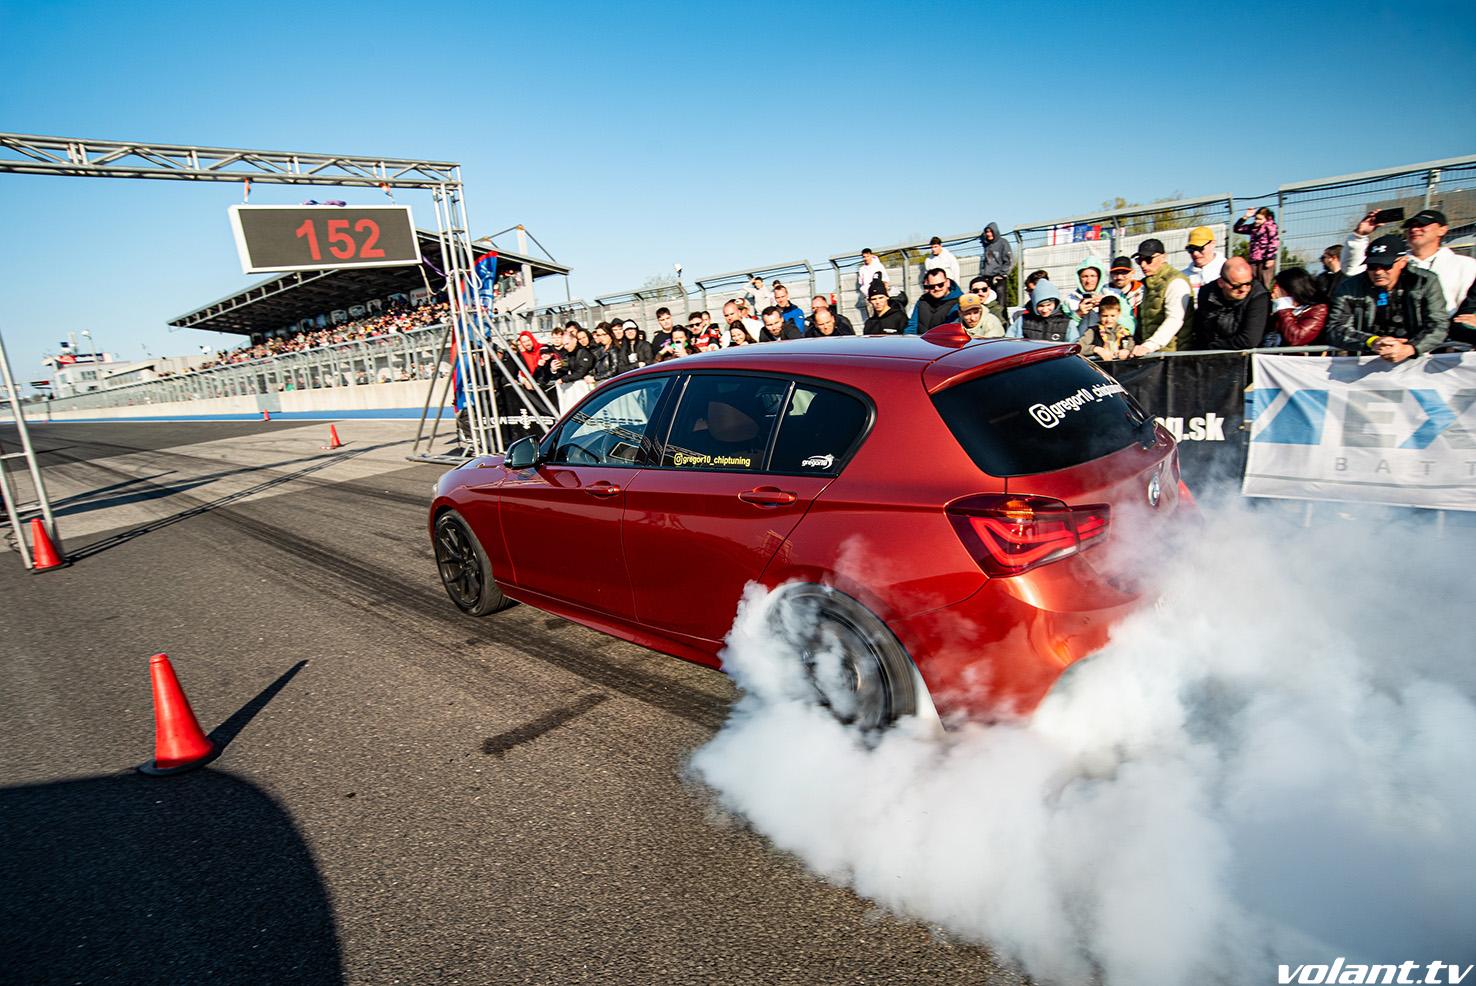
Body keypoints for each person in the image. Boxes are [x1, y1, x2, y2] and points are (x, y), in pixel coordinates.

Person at [1325, 234, 1447, 363]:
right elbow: (1335, 328)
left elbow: (1438, 323)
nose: (1378, 272)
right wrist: (1372, 341)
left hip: (1417, 361)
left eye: (1386, 265)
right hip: (1365, 363)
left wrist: (1410, 348)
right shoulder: (1349, 287)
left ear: (1403, 262)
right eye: (1372, 266)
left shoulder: (1425, 281)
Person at [1344, 209, 1476, 318]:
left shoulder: (1466, 265)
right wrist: (1359, 236)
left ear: (1442, 229)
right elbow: (1352, 271)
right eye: (1411, 226)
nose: (1414, 229)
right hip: (1398, 341)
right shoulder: (1394, 262)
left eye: (1422, 225)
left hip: (1449, 343)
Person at [1130, 238, 1194, 356]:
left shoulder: (1176, 282)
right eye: (1139, 260)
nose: (1143, 265)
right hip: (1155, 354)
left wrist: (1149, 345)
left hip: (1174, 356)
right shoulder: (1146, 284)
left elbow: (1174, 319)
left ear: (1164, 257)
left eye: (1148, 259)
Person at [1193, 257, 1270, 350]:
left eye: (1248, 283)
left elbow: (1250, 340)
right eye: (1236, 286)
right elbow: (1200, 329)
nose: (1244, 289)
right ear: (1221, 283)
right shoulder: (1207, 293)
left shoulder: (1258, 297)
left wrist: (1211, 347)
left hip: (1244, 355)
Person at [1267, 267, 1329, 347]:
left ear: (1292, 289)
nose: (1274, 295)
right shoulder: (1283, 309)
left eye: (1279, 291)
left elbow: (1296, 338)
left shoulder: (1318, 310)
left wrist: (1283, 308)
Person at [1008, 280, 1075, 342]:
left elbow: (1073, 345)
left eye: (1049, 305)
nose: (1045, 310)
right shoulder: (1023, 320)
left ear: (1055, 303)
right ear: (1035, 305)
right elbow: (1011, 341)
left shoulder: (1066, 323)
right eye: (1041, 306)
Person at [1233, 207, 1280, 289]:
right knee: (1252, 284)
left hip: (1264, 260)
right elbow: (1237, 229)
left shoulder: (1271, 227)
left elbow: (1274, 242)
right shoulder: (1254, 227)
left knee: (1264, 284)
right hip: (1253, 260)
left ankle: (1265, 300)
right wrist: (1246, 216)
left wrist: (1270, 258)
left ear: (1267, 218)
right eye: (1255, 218)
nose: (1256, 221)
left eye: (1259, 219)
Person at [1079, 295, 1134, 360]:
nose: (1109, 320)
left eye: (1112, 316)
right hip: (1100, 367)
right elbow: (1079, 347)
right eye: (1105, 316)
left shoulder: (1125, 332)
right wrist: (1096, 349)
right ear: (1099, 315)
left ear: (1119, 314)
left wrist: (1127, 351)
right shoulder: (1092, 331)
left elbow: (1132, 346)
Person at [908, 268, 962, 335]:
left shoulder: (959, 302)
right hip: (920, 343)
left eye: (940, 285)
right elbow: (912, 326)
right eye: (932, 286)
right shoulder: (922, 301)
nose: (936, 288)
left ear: (948, 283)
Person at [1066, 257, 1110, 336]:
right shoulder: (1069, 300)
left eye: (1093, 276)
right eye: (1085, 276)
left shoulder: (1110, 295)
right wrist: (1078, 314)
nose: (1089, 281)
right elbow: (1063, 330)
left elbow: (1127, 325)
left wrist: (1106, 306)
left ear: (1099, 277)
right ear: (1079, 278)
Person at [1182, 226, 1226, 295]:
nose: (1195, 253)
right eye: (1191, 249)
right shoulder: (1183, 277)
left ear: (1213, 244)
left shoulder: (1228, 270)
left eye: (1200, 248)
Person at [979, 222, 1013, 304]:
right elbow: (985, 261)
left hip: (999, 277)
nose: (988, 234)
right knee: (988, 302)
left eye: (991, 231)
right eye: (987, 232)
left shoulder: (1003, 242)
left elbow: (1008, 260)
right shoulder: (986, 245)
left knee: (1001, 303)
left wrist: (1002, 274)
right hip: (987, 278)